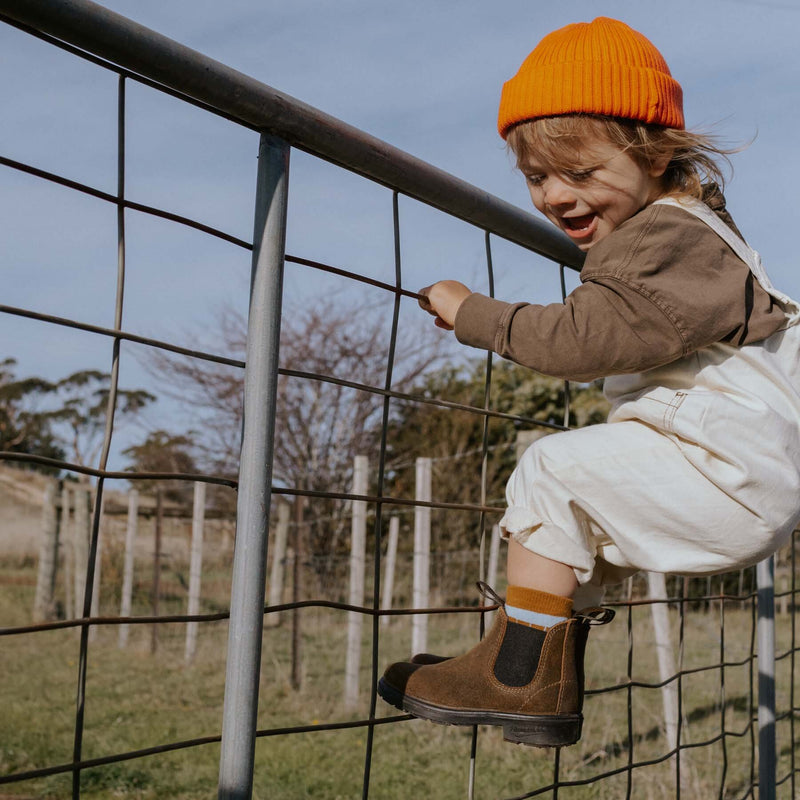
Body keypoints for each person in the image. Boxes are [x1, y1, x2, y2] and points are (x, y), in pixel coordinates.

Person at [377, 16, 800, 748]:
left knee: (551, 468)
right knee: (580, 520)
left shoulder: (670, 240)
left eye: (581, 173)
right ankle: (535, 678)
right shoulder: (687, 231)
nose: (556, 196)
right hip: (728, 472)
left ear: (655, 152)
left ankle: (515, 677)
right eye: (538, 177)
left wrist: (470, 311)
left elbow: (579, 340)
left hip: (726, 473)